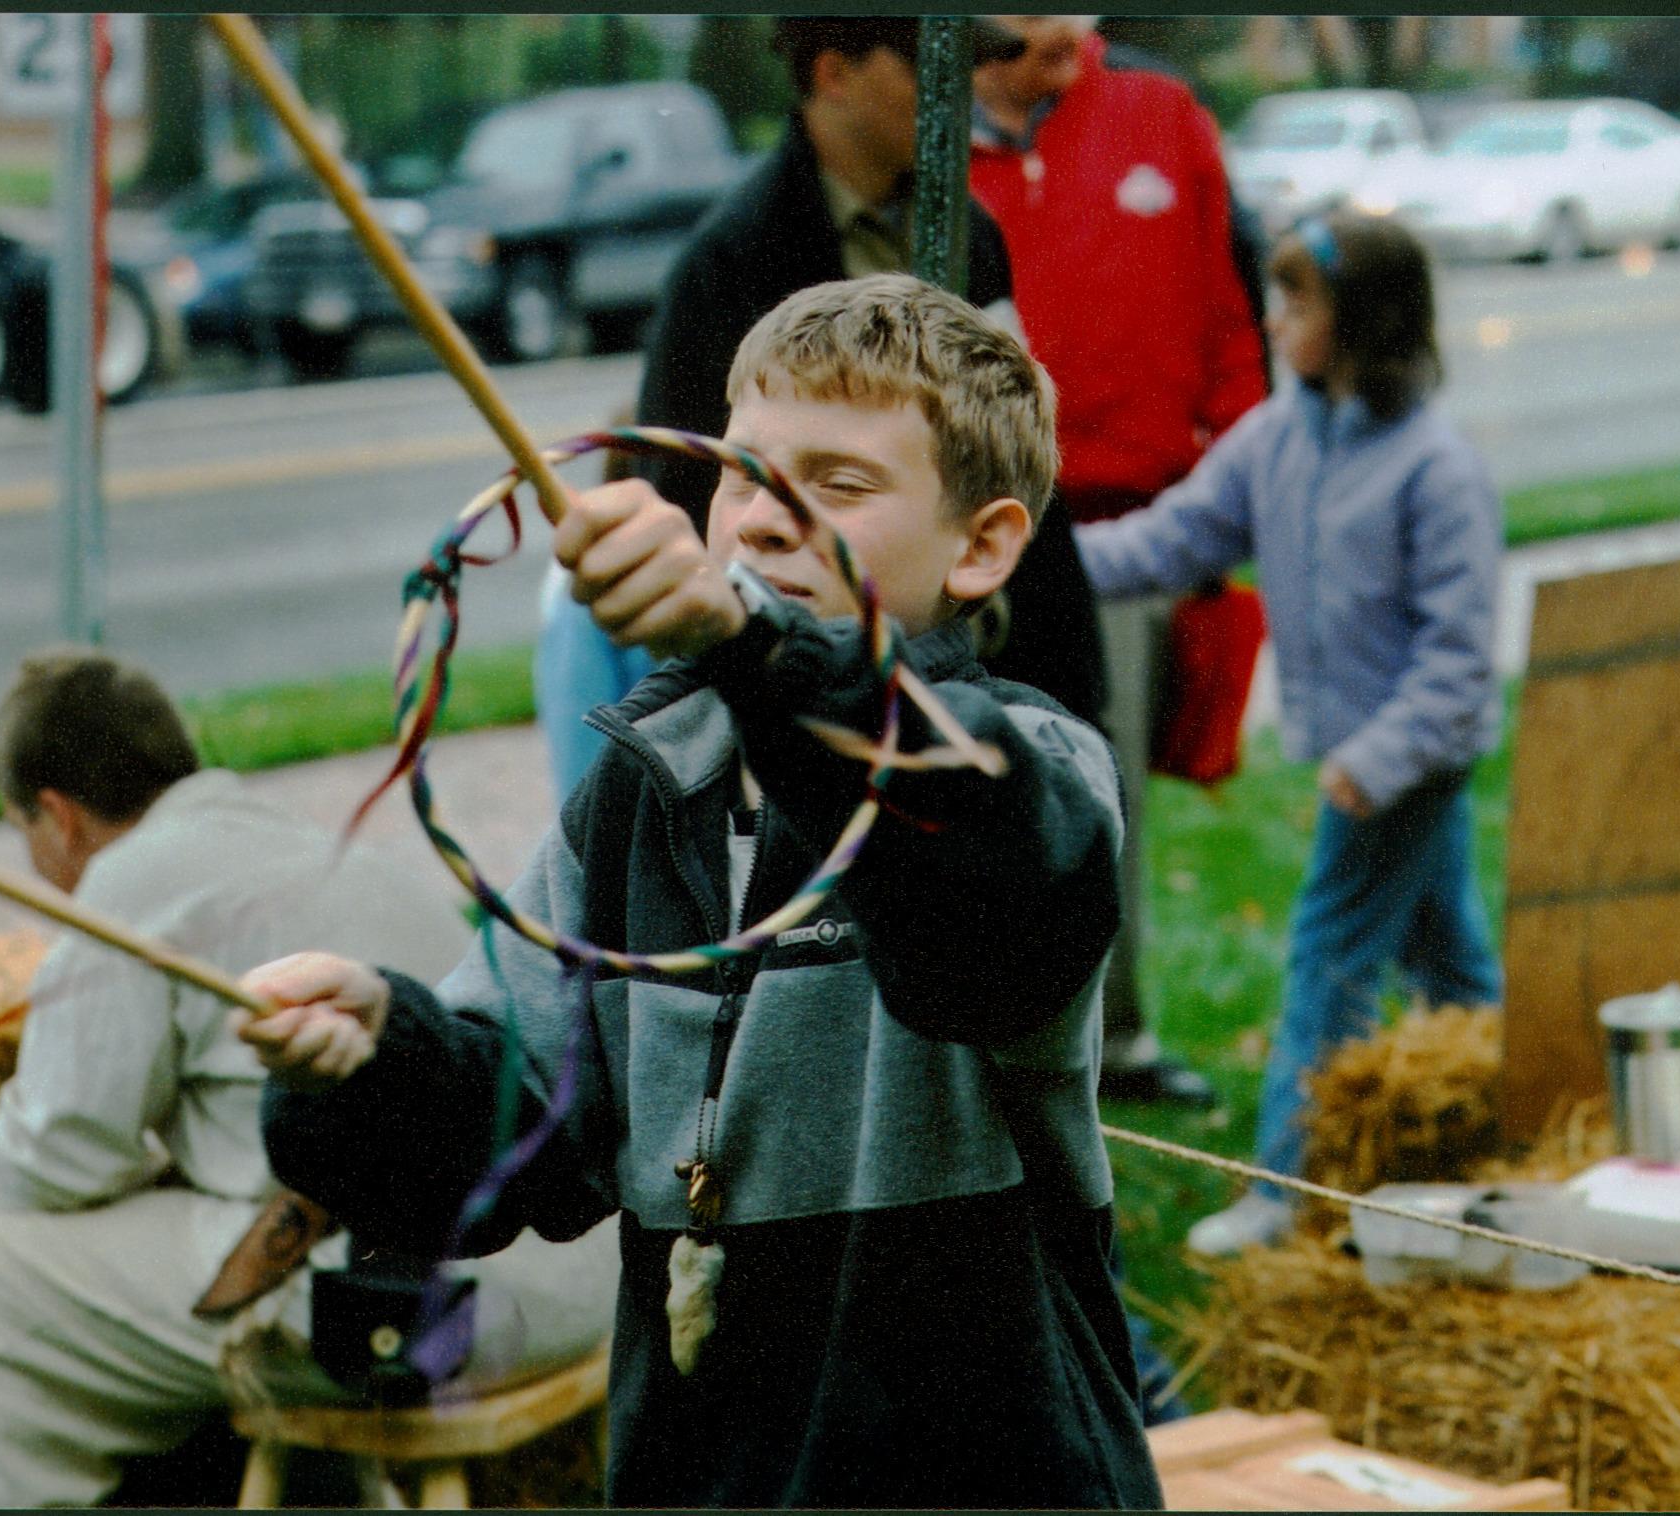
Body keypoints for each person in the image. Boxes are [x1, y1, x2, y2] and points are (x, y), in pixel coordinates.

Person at [243, 275, 1163, 1508]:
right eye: (741, 473)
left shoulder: (1022, 768)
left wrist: (758, 653)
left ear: (982, 545)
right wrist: (377, 1057)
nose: (764, 520)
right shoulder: (640, 797)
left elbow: (975, 906)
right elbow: (518, 1145)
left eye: (835, 484)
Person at [0, 649, 615, 1508]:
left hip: (427, 1315)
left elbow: (68, 1145)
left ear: (58, 816)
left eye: (25, 835)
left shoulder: (128, 882)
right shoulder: (304, 844)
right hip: (575, 1287)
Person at [534, 14, 1108, 798]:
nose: (958, 99)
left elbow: (1010, 452)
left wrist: (1066, 666)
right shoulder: (732, 256)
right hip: (804, 696)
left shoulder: (968, 232)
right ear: (834, 74)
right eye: (924, 71)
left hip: (973, 670)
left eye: (968, 72)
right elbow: (693, 480)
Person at [1074, 214, 1504, 1256]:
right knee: (1451, 967)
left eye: (1295, 301)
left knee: (1325, 962)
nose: (1272, 321)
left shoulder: (1431, 469)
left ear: (1361, 320)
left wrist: (1373, 759)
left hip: (1397, 768)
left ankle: (1278, 1188)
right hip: (1364, 757)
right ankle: (1522, 1110)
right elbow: (1174, 535)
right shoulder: (1275, 438)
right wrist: (1040, 567)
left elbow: (1455, 660)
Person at [971, 14, 1270, 1108]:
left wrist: (1238, 486)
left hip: (1133, 534)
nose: (1072, 34)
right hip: (983, 525)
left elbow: (1233, 324)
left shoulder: (1157, 112)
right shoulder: (930, 142)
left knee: (1108, 799)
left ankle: (1116, 1038)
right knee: (976, 793)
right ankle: (984, 1053)